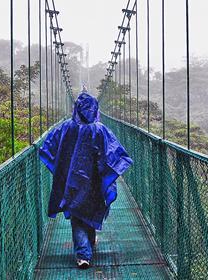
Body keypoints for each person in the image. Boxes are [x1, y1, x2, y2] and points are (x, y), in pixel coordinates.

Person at [38, 90, 133, 269]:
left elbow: (48, 147)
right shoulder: (100, 129)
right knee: (89, 209)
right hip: (95, 181)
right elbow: (115, 153)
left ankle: (85, 250)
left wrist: (61, 167)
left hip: (72, 180)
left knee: (77, 213)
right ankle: (84, 253)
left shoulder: (66, 127)